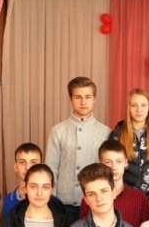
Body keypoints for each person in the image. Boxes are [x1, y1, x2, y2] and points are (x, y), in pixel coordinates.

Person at [46, 76, 111, 219]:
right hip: (63, 205)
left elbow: (109, 171)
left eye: (88, 97)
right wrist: (52, 202)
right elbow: (51, 169)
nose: (83, 102)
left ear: (94, 99)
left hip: (95, 204)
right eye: (78, 97)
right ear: (70, 99)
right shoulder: (58, 131)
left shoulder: (106, 132)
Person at [107, 88, 149, 211]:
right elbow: (108, 169)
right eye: (134, 105)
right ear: (128, 107)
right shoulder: (117, 135)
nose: (139, 110)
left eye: (143, 105)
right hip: (123, 200)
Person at [79, 140, 149, 227]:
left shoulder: (139, 198)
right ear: (100, 163)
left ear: (126, 162)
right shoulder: (90, 198)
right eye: (108, 162)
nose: (114, 167)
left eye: (119, 161)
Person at [2, 143, 42, 216]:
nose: (28, 167)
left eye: (33, 162)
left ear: (42, 167)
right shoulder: (3, 203)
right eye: (22, 162)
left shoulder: (54, 202)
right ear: (15, 167)